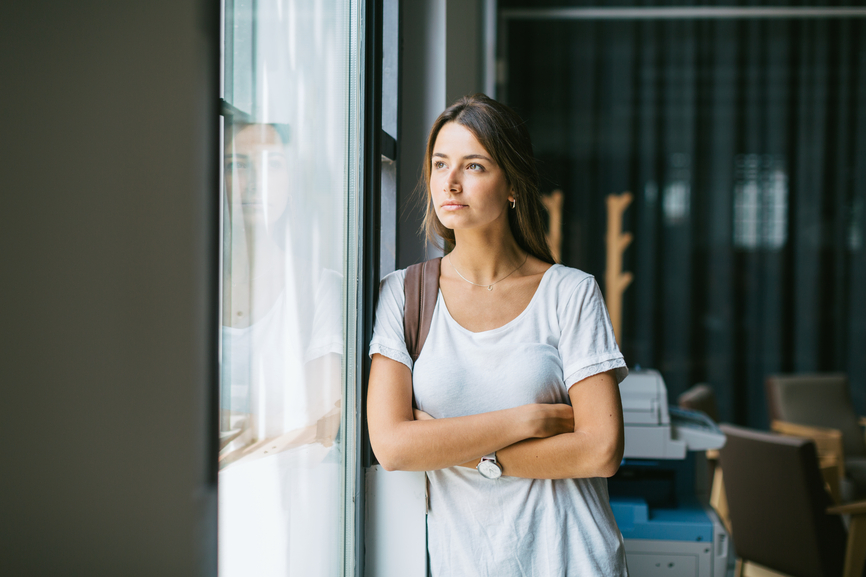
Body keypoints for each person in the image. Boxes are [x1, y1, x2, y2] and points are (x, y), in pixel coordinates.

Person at [367, 94, 629, 576]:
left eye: (474, 166)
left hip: (573, 560)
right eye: (440, 163)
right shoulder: (404, 295)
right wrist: (525, 420)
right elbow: (394, 447)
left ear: (512, 186)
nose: (450, 181)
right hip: (465, 563)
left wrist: (453, 447)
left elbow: (601, 450)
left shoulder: (570, 293)